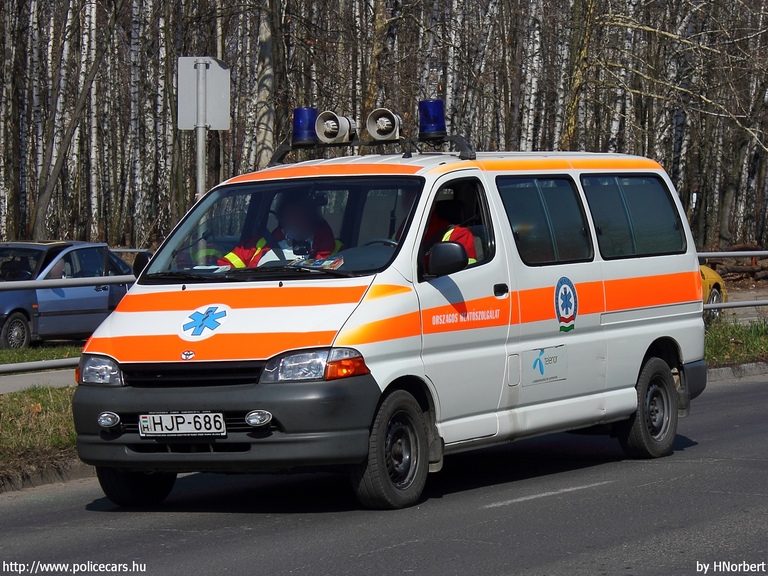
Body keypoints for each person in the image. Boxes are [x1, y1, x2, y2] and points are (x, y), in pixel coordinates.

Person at [219, 192, 342, 268]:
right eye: (291, 214)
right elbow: (222, 269)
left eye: (302, 214)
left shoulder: (334, 250)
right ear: (281, 216)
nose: (296, 219)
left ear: (313, 217)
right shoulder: (255, 246)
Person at [395, 188, 477, 265]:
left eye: (415, 195)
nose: (406, 200)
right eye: (406, 194)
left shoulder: (460, 234)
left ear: (431, 203)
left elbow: (467, 275)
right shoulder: (403, 229)